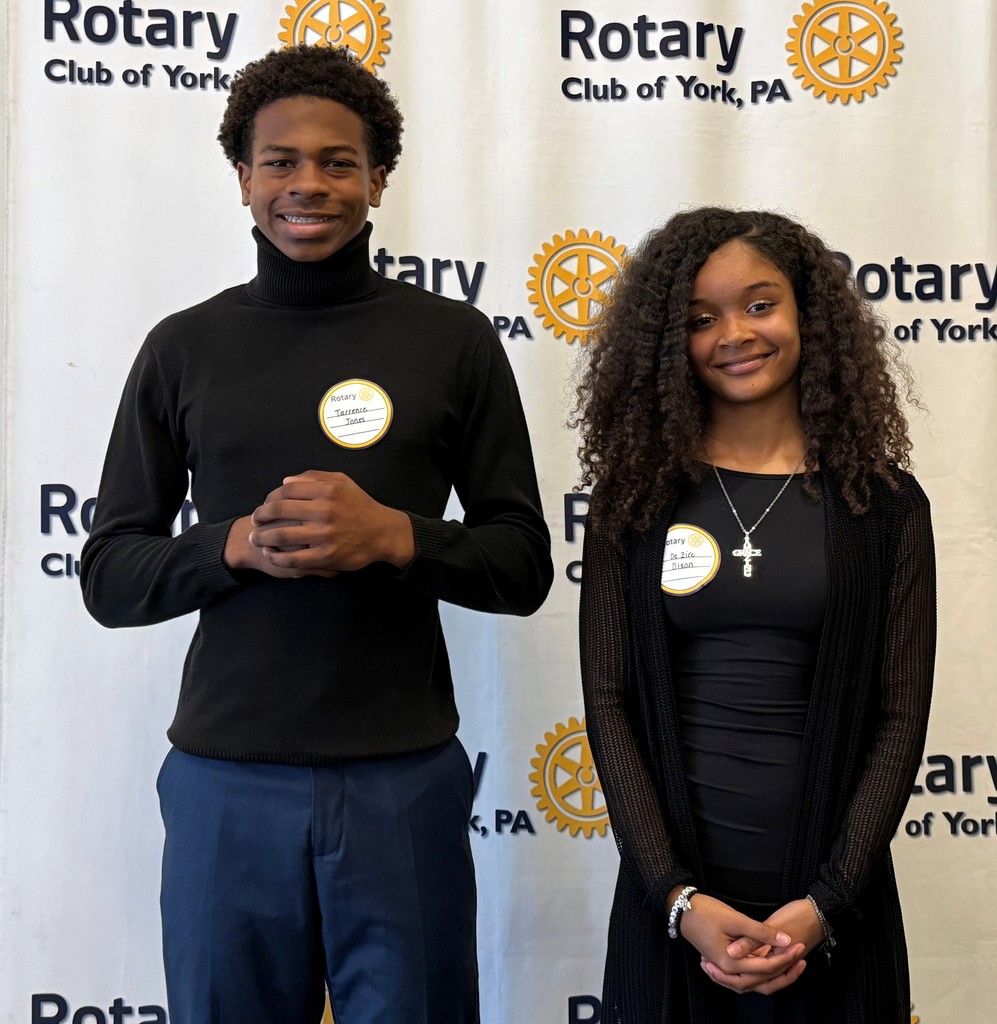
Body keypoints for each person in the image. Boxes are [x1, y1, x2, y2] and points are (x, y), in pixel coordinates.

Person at [80, 44, 553, 1024]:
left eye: (338, 161)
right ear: (243, 176)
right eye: (281, 160)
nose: (309, 184)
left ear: (378, 178)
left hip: (403, 780)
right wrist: (233, 545)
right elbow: (111, 572)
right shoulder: (183, 347)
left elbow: (520, 562)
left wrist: (397, 537)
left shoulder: (453, 341)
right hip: (224, 781)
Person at [575, 207, 935, 1024]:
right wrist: (677, 900)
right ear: (669, 344)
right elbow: (608, 699)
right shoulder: (632, 501)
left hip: (831, 915)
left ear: (808, 313)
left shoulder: (881, 505)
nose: (733, 334)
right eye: (700, 319)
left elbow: (898, 713)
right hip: (675, 911)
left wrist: (827, 902)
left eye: (760, 304)